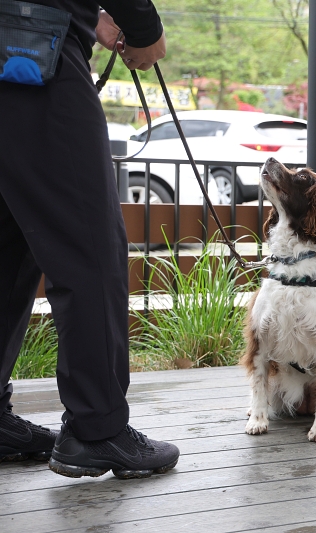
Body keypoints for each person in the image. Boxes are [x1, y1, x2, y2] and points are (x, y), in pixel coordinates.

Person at [0, 0, 180, 478]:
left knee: (9, 242)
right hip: (32, 50)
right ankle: (97, 430)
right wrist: (143, 28)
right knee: (89, 246)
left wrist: (83, 16)